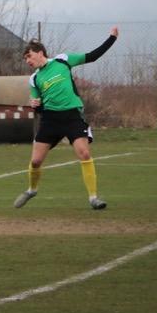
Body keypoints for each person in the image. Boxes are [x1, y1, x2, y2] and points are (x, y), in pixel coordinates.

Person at [14, 27, 118, 210]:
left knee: (84, 153)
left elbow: (92, 56)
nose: (28, 61)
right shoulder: (34, 79)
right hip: (50, 120)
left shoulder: (63, 60)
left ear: (40, 52)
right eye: (25, 59)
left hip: (72, 117)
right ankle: (32, 190)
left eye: (29, 56)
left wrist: (112, 38)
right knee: (36, 161)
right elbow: (38, 108)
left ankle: (93, 198)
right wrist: (35, 105)